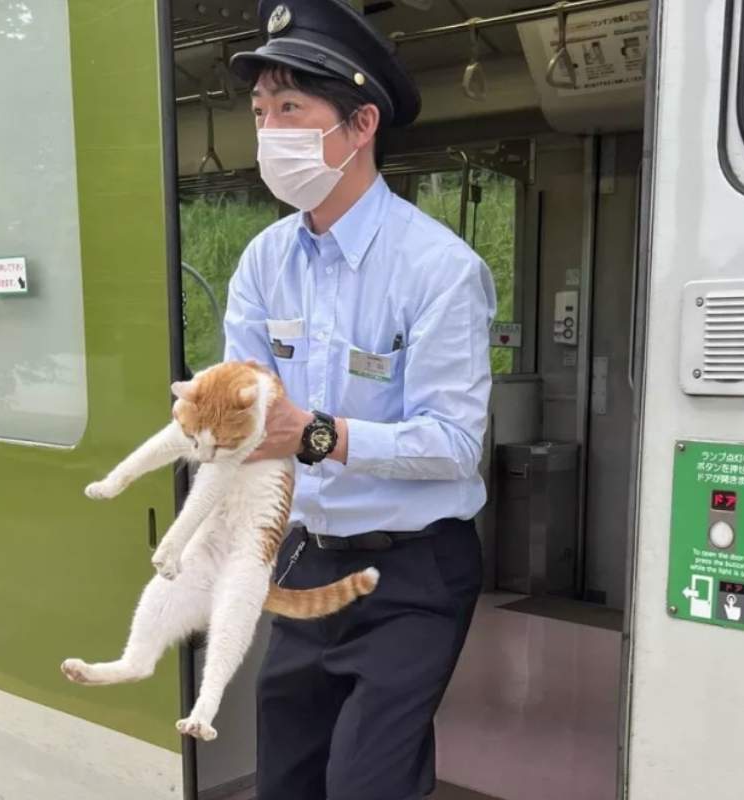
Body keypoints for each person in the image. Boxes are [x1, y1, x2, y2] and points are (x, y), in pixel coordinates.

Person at [222, 2, 495, 797]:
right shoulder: (264, 261)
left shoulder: (437, 269)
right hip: (306, 561)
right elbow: (245, 402)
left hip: (413, 576)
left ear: (360, 123)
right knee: (288, 780)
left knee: (367, 782)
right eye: (261, 112)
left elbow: (451, 442)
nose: (270, 131)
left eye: (292, 110)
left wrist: (313, 435)